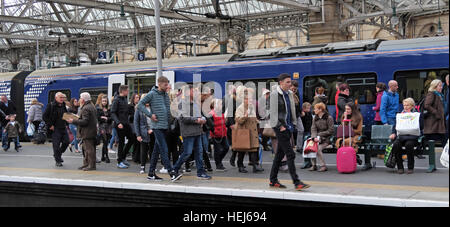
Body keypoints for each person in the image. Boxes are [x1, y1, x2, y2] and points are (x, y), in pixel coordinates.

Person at [269, 73, 310, 191]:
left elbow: (292, 110)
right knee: (290, 154)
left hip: (289, 127)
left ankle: (273, 180)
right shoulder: (274, 95)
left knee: (279, 155)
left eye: (290, 82)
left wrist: (293, 124)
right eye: (287, 82)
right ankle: (297, 182)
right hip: (280, 128)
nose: (290, 84)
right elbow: (272, 113)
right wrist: (281, 126)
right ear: (280, 83)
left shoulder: (290, 94)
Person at [137, 76, 181, 181]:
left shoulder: (165, 95)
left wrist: (172, 122)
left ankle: (151, 173)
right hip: (157, 126)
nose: (167, 86)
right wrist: (150, 115)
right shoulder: (152, 94)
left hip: (165, 126)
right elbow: (140, 105)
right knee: (164, 150)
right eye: (165, 84)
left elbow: (168, 110)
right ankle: (172, 173)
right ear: (159, 84)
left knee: (156, 151)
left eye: (167, 84)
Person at [172, 84, 211, 180]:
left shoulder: (195, 103)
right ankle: (175, 169)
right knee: (187, 153)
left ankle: (200, 172)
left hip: (198, 132)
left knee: (199, 153)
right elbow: (183, 118)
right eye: (194, 91)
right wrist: (197, 120)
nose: (197, 92)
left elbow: (199, 115)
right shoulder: (182, 103)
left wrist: (203, 119)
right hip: (188, 132)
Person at [233, 87, 264, 174]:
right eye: (249, 99)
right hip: (244, 132)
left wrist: (260, 122)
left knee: (253, 150)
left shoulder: (251, 107)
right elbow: (238, 120)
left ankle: (255, 167)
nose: (251, 100)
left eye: (251, 99)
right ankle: (240, 166)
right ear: (245, 99)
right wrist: (245, 116)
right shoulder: (240, 108)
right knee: (242, 151)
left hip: (252, 132)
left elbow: (253, 118)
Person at [389, 98, 424, 174]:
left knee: (409, 145)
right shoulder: (400, 115)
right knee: (396, 144)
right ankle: (400, 167)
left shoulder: (417, 115)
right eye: (404, 105)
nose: (405, 107)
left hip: (412, 137)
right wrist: (393, 133)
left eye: (407, 105)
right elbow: (395, 126)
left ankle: (410, 167)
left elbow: (421, 127)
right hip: (401, 136)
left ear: (412, 106)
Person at [66, 93, 98, 171]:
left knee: (89, 149)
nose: (79, 99)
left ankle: (91, 165)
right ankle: (86, 164)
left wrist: (73, 120)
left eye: (80, 98)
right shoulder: (91, 106)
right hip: (91, 131)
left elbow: (85, 121)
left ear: (83, 99)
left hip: (87, 132)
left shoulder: (85, 108)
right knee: (87, 148)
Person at [335, 102, 366, 168]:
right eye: (346, 109)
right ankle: (348, 159)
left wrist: (351, 130)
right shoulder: (344, 116)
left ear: (352, 109)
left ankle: (351, 158)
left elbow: (359, 130)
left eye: (348, 109)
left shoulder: (358, 116)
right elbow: (343, 127)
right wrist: (345, 118)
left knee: (347, 141)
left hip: (356, 135)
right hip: (345, 135)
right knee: (339, 141)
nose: (346, 111)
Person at [43, 92, 70, 167]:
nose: (62, 99)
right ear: (56, 98)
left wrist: (69, 120)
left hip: (63, 127)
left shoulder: (63, 105)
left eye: (63, 97)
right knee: (56, 145)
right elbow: (44, 116)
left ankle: (58, 154)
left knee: (66, 142)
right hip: (55, 128)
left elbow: (65, 114)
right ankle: (58, 160)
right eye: (60, 97)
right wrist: (50, 125)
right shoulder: (51, 105)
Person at [111, 85, 133, 169]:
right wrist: (118, 122)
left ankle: (123, 157)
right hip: (120, 124)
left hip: (126, 123)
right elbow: (112, 113)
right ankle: (119, 161)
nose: (128, 92)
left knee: (132, 139)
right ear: (123, 91)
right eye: (127, 90)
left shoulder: (124, 99)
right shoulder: (116, 100)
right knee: (121, 142)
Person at [310, 102, 334, 172]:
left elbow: (331, 131)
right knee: (311, 147)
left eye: (315, 109)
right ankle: (313, 165)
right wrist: (314, 137)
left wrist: (320, 134)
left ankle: (323, 165)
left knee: (318, 148)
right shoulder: (315, 118)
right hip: (317, 137)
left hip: (326, 138)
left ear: (320, 109)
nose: (314, 110)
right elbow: (313, 128)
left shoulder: (329, 118)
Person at [134, 93, 155, 174]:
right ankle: (142, 166)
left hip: (153, 131)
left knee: (153, 150)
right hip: (143, 133)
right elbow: (136, 123)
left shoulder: (152, 108)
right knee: (143, 150)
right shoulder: (139, 109)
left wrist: (152, 129)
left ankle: (152, 167)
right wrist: (138, 134)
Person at [423, 79, 446, 146]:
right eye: (440, 86)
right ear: (435, 86)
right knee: (443, 138)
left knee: (443, 138)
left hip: (437, 122)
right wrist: (436, 113)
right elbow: (427, 105)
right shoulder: (431, 94)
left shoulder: (440, 95)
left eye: (441, 86)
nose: (441, 87)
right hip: (433, 122)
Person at [210, 99, 229, 171]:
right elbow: (210, 125)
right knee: (217, 150)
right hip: (216, 134)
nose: (221, 106)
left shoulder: (221, 112)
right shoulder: (211, 113)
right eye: (220, 104)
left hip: (223, 133)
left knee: (226, 147)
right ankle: (218, 164)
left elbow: (223, 123)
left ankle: (219, 161)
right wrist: (214, 131)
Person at [97, 96, 112, 163]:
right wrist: (105, 118)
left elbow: (111, 118)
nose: (104, 102)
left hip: (108, 127)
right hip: (102, 127)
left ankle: (103, 156)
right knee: (105, 141)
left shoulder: (109, 109)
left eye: (105, 101)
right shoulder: (98, 109)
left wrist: (106, 118)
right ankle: (107, 156)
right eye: (103, 101)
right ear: (101, 101)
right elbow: (98, 118)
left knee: (106, 142)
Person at [300, 102, 313, 169]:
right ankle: (307, 161)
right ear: (304, 108)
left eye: (309, 108)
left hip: (308, 131)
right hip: (305, 131)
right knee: (305, 147)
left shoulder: (309, 114)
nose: (309, 109)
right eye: (308, 108)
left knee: (307, 147)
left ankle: (308, 161)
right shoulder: (303, 114)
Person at [129, 93, 141, 163]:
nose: (138, 99)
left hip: (138, 126)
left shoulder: (140, 106)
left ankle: (138, 157)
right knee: (135, 143)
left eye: (138, 97)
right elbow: (130, 117)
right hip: (133, 126)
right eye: (136, 97)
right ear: (133, 98)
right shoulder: (130, 106)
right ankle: (135, 157)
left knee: (138, 143)